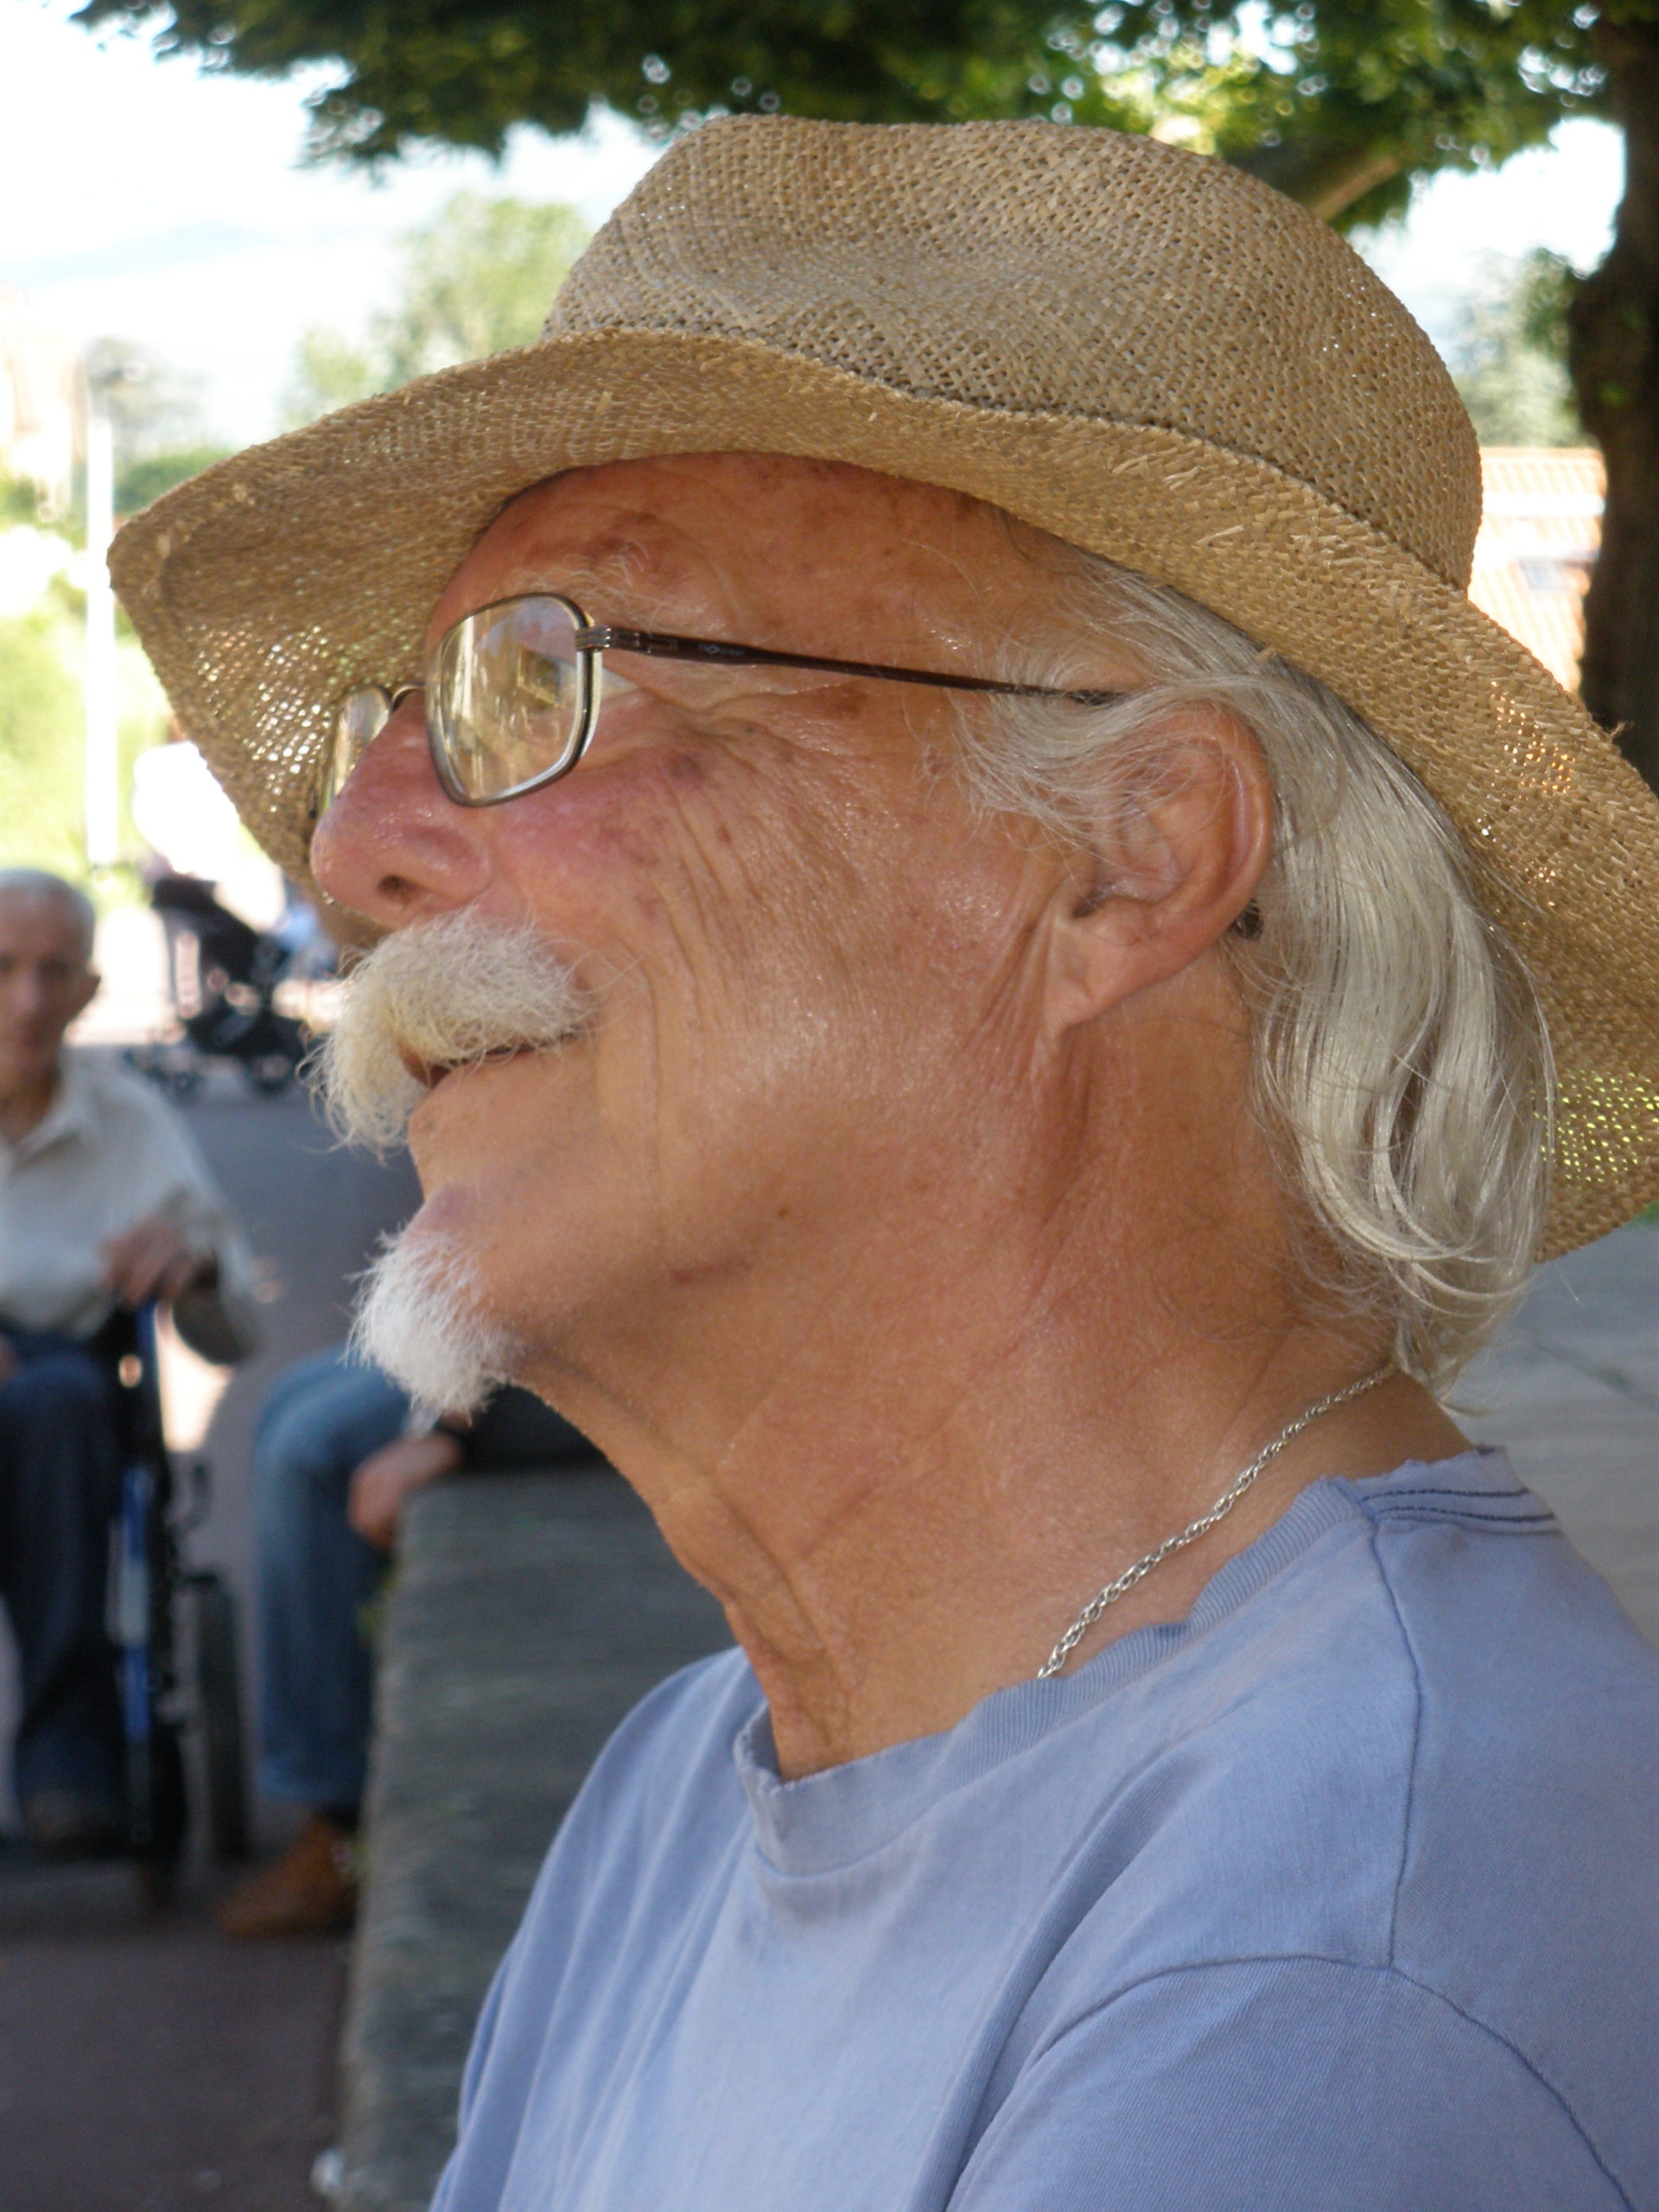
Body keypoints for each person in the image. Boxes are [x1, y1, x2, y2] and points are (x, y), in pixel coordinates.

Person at [115, 121, 1659, 2210]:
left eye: (550, 675)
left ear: (1126, 857)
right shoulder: (688, 1779)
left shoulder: (1336, 1943)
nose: (356, 850)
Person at [0, 868, 258, 1852]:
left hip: (64, 1393)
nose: (27, 1000)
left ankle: (70, 1757)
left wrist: (191, 1272)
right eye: (3, 969)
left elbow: (234, 1329)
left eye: (52, 972)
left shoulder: (131, 1126)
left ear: (87, 993)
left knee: (59, 1403)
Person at [218, 1349, 600, 1938]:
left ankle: (339, 1822)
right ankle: (328, 1790)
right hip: (506, 1348)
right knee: (287, 1399)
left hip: (579, 1367)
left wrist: (439, 1430)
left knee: (309, 1449)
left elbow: (521, 1280)